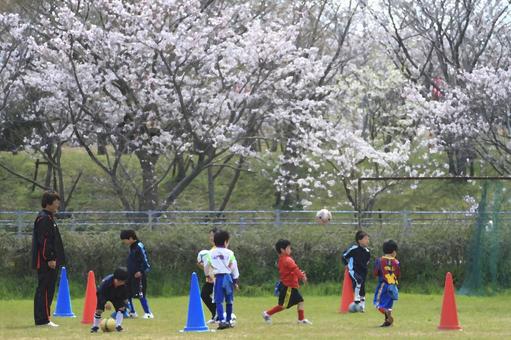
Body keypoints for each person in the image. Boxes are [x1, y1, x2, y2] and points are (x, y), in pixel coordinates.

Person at [31, 191, 65, 327]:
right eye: (56, 201)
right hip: (46, 262)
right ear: (49, 202)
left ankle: (44, 318)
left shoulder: (49, 217)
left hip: (49, 261)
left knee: (47, 289)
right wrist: (50, 258)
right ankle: (43, 320)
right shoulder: (44, 218)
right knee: (45, 290)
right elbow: (44, 241)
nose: (58, 204)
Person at [262, 239, 312, 325]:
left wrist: (299, 275)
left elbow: (291, 271)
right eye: (288, 248)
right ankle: (267, 313)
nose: (290, 249)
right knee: (283, 306)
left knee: (300, 301)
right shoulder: (287, 260)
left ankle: (301, 319)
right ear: (282, 250)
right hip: (288, 287)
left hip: (291, 286)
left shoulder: (283, 259)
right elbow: (295, 269)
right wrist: (302, 277)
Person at [204, 230, 239, 330]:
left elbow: (207, 265)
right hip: (228, 278)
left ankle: (221, 321)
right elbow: (234, 267)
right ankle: (228, 321)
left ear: (214, 242)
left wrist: (207, 275)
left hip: (218, 278)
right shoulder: (230, 253)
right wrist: (235, 280)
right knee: (229, 301)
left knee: (218, 301)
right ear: (225, 242)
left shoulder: (210, 253)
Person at [120, 230, 153, 319]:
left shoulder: (139, 246)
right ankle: (132, 312)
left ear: (130, 238)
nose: (124, 242)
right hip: (130, 275)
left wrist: (141, 271)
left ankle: (148, 313)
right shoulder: (132, 247)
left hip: (139, 275)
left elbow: (145, 261)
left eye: (125, 240)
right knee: (127, 293)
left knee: (140, 294)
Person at [90, 267, 130, 333]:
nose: (121, 283)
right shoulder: (106, 283)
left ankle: (118, 326)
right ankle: (95, 327)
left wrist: (125, 302)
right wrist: (105, 303)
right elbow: (101, 294)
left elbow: (125, 294)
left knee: (122, 308)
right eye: (119, 281)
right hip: (104, 294)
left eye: (123, 282)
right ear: (115, 279)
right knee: (99, 310)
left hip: (117, 295)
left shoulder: (124, 285)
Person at [373, 240, 400, 327]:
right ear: (394, 252)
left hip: (383, 285)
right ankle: (387, 322)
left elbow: (376, 272)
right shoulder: (396, 262)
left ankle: (387, 315)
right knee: (388, 303)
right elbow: (398, 274)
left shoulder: (379, 260)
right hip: (393, 286)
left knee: (377, 303)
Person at [342, 230, 370, 311]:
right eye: (366, 239)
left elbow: (367, 261)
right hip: (353, 270)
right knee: (359, 281)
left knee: (362, 288)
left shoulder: (367, 252)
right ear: (360, 240)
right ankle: (356, 299)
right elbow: (344, 256)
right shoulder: (354, 249)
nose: (367, 241)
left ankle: (362, 307)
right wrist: (346, 264)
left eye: (368, 239)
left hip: (363, 272)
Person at [196, 227, 217, 323]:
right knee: (207, 295)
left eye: (213, 236)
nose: (211, 238)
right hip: (211, 278)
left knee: (206, 295)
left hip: (216, 278)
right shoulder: (211, 250)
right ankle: (216, 315)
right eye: (210, 236)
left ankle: (220, 315)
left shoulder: (218, 250)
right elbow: (208, 266)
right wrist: (201, 265)